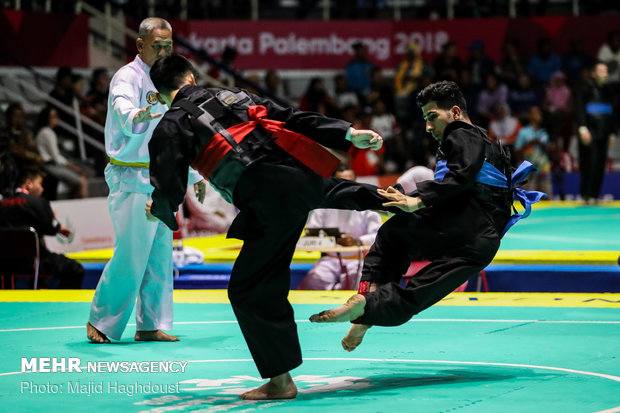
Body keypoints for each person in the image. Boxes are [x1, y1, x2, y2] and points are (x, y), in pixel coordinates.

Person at [145, 53, 391, 400]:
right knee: (337, 191)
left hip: (267, 198)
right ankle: (409, 202)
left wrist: (159, 207)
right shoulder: (234, 95)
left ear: (159, 92)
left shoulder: (171, 124)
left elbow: (169, 180)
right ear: (191, 78)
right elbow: (291, 117)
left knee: (248, 290)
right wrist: (348, 133)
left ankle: (280, 382)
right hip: (298, 175)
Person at [309, 80, 545, 352]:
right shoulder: (488, 144)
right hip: (481, 246)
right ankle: (366, 310)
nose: (428, 126)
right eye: (424, 118)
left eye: (433, 117)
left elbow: (462, 175)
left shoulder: (461, 132)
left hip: (460, 225)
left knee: (391, 236)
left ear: (455, 112)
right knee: (413, 296)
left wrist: (417, 200)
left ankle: (366, 298)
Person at [86, 17, 205, 345]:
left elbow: (182, 131)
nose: (164, 52)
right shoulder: (128, 76)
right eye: (157, 46)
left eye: (168, 46)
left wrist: (194, 173)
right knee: (131, 252)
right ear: (140, 45)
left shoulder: (170, 77)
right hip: (131, 175)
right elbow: (121, 103)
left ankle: (151, 324)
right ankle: (101, 320)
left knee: (159, 255)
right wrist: (133, 114)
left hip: (162, 176)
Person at [298, 167, 382, 291]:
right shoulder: (322, 207)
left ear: (356, 182)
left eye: (349, 182)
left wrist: (357, 241)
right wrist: (311, 243)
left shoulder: (367, 207)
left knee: (360, 287)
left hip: (357, 260)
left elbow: (378, 235)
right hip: (329, 260)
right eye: (341, 183)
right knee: (311, 283)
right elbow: (311, 234)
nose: (345, 187)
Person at [0, 168, 84, 289]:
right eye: (40, 184)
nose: (42, 189)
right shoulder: (37, 202)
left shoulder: (3, 204)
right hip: (32, 263)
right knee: (75, 269)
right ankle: (60, 306)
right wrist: (57, 225)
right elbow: (50, 228)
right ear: (29, 184)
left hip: (4, 264)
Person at [575, 62, 618, 204]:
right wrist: (582, 127)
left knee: (600, 164)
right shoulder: (585, 88)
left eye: (605, 72)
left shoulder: (610, 91)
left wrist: (613, 132)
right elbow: (580, 108)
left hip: (604, 132)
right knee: (589, 163)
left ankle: (594, 196)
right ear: (593, 73)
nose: (604, 74)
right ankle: (585, 195)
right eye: (601, 71)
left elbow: (614, 113)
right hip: (589, 131)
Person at [34, 106, 89, 199]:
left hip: (50, 165)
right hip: (49, 166)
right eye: (53, 116)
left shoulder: (44, 132)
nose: (57, 118)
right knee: (82, 182)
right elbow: (56, 157)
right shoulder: (47, 132)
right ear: (47, 118)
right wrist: (73, 167)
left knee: (76, 185)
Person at [514, 106, 552, 196]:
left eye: (540, 113)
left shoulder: (544, 133)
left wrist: (543, 145)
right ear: (530, 116)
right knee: (529, 197)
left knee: (547, 197)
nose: (539, 115)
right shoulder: (523, 132)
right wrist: (529, 144)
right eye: (535, 113)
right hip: (529, 170)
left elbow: (549, 152)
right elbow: (516, 153)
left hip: (543, 169)